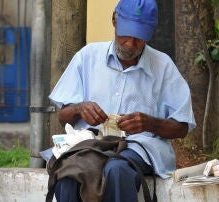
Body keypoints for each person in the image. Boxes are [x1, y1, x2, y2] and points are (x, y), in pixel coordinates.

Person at [48, 0, 196, 201]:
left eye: (139, 38)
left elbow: (181, 128)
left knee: (116, 170)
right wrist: (79, 109)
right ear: (114, 21)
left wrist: (150, 123)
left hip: (138, 147)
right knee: (67, 177)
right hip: (90, 145)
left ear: (149, 34)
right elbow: (63, 117)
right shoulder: (88, 56)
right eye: (126, 34)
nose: (130, 44)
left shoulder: (163, 66)